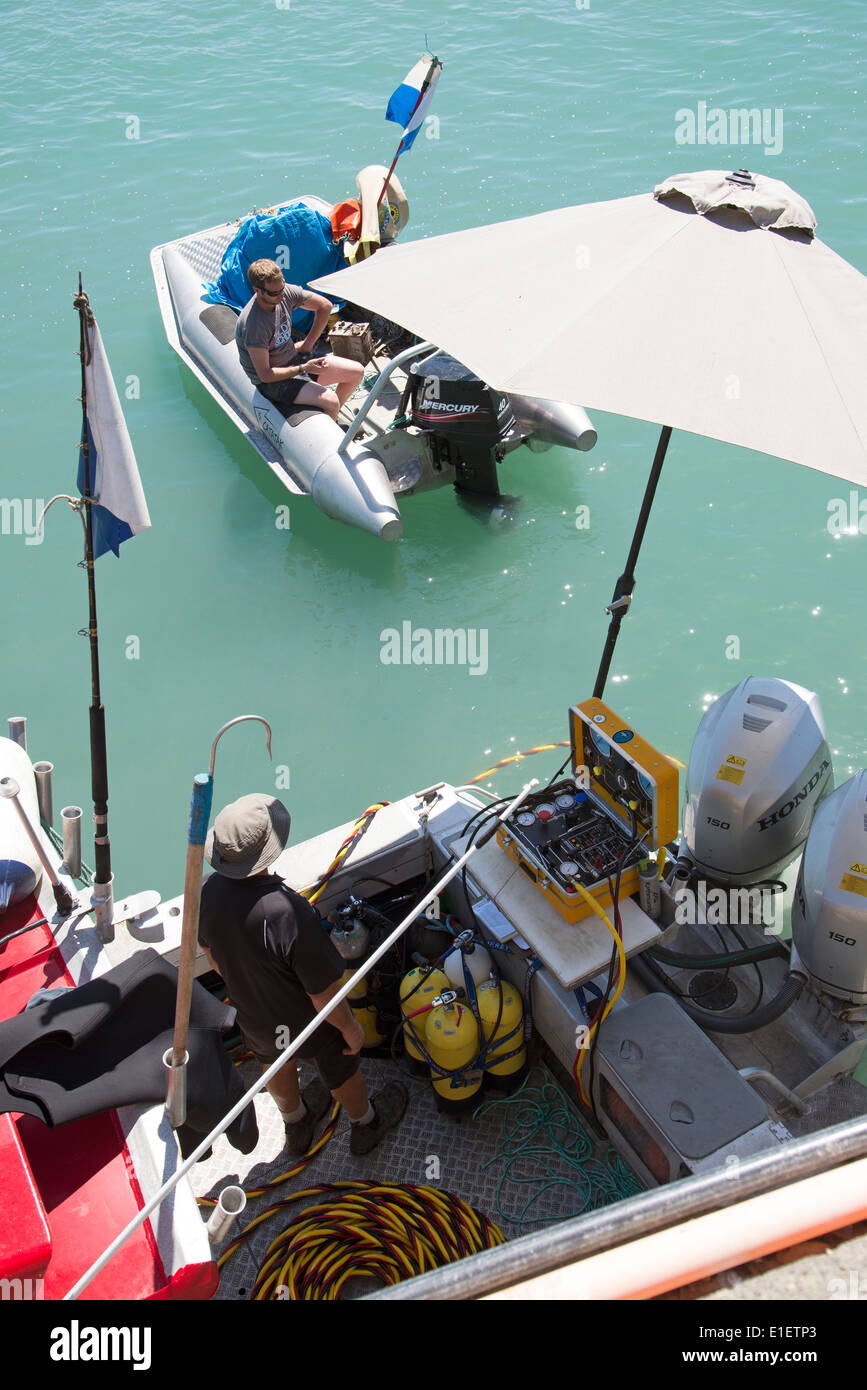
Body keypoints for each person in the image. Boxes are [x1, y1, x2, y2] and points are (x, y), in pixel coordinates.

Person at [198, 793, 407, 1156]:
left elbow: (209, 953)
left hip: (253, 1015)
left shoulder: (206, 891)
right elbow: (323, 994)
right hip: (309, 1022)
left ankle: (295, 1122)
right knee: (339, 1067)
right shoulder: (288, 912)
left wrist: (243, 981)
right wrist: (351, 1029)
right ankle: (365, 1122)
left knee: (274, 1063)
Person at [235, 259, 364, 422]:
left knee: (356, 372)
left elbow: (325, 306)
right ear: (257, 290)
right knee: (331, 401)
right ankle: (330, 414)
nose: (281, 296)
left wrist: (308, 343)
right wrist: (303, 368)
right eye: (274, 293)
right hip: (273, 380)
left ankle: (330, 418)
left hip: (294, 358)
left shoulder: (284, 292)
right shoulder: (253, 325)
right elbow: (265, 375)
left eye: (282, 288)